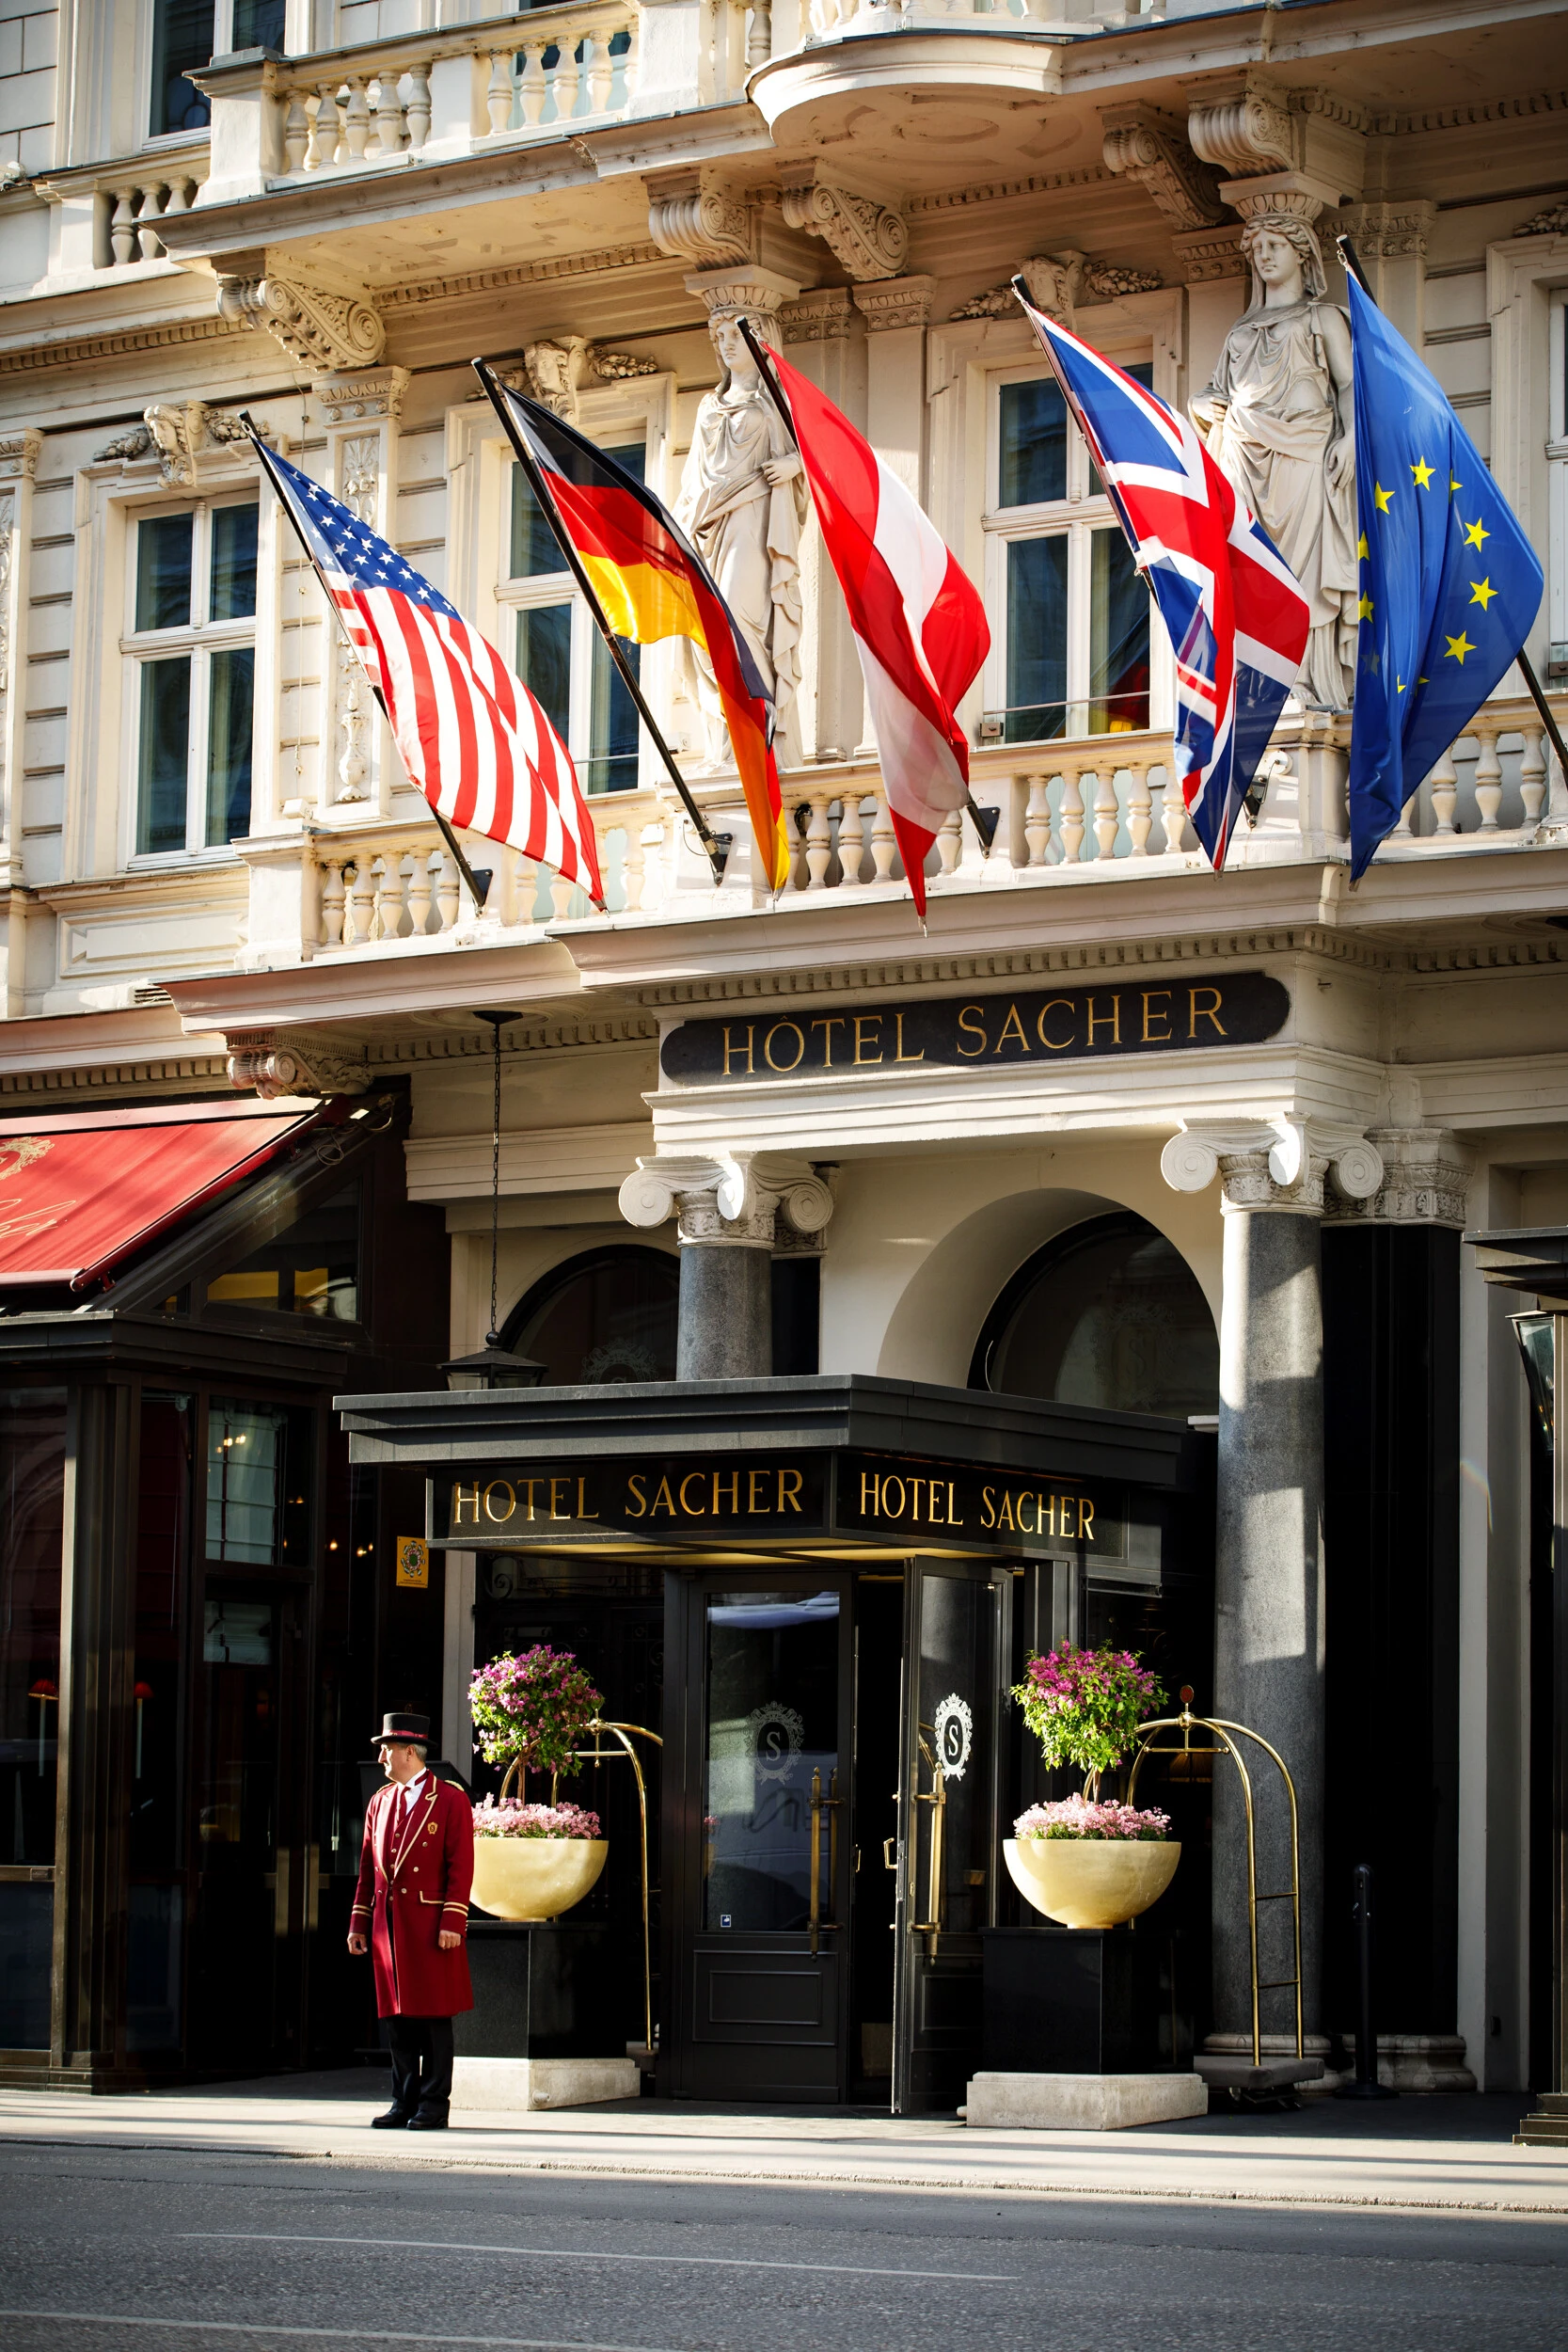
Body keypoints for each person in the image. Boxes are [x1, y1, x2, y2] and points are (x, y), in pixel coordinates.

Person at [1190, 211, 1358, 711]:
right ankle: (1263, 681)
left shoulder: (1322, 317)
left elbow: (1349, 385)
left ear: (1301, 253)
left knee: (1301, 569)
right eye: (1257, 248)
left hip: (1306, 452)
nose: (1263, 256)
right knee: (1252, 570)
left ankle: (1304, 678)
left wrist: (1350, 440)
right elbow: (1216, 391)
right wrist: (1202, 405)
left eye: (1274, 246)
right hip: (1243, 451)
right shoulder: (1240, 330)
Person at [675, 309, 808, 770]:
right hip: (707, 524)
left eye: (736, 335)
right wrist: (677, 531)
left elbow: (818, 455)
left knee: (742, 617)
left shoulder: (777, 400)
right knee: (709, 630)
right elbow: (693, 475)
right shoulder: (708, 406)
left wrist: (795, 467)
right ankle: (727, 742)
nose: (726, 344)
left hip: (754, 521)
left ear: (759, 341)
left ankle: (760, 732)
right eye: (720, 337)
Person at [349, 1708, 473, 2130]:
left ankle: (434, 2105)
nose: (381, 1759)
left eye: (386, 1750)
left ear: (407, 1751)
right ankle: (403, 2101)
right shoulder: (379, 1802)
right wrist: (358, 1923)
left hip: (430, 1926)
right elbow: (368, 1868)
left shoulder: (451, 1799)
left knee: (434, 2018)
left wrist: (453, 1923)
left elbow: (462, 1866)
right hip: (388, 1927)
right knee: (397, 2020)